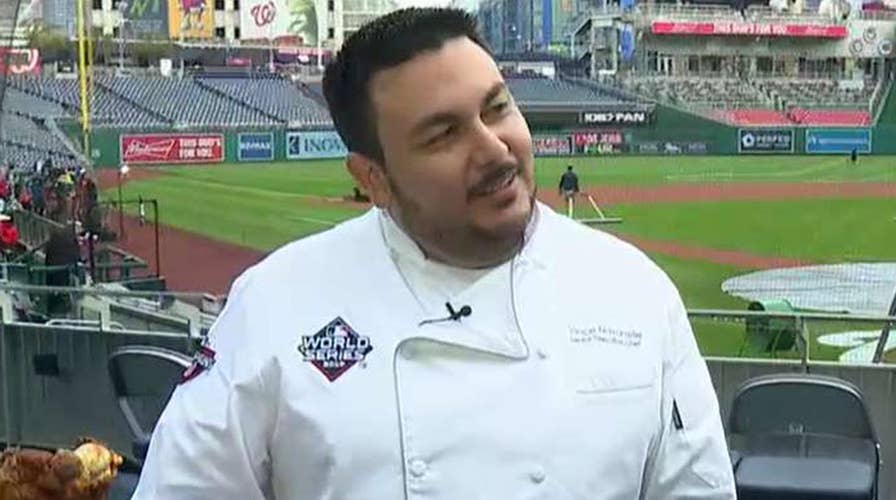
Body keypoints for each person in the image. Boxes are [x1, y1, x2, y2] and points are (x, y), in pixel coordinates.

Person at [133, 8, 735, 499]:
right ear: (374, 179)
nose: (495, 149)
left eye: (497, 108)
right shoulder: (273, 307)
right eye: (444, 134)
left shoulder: (634, 292)